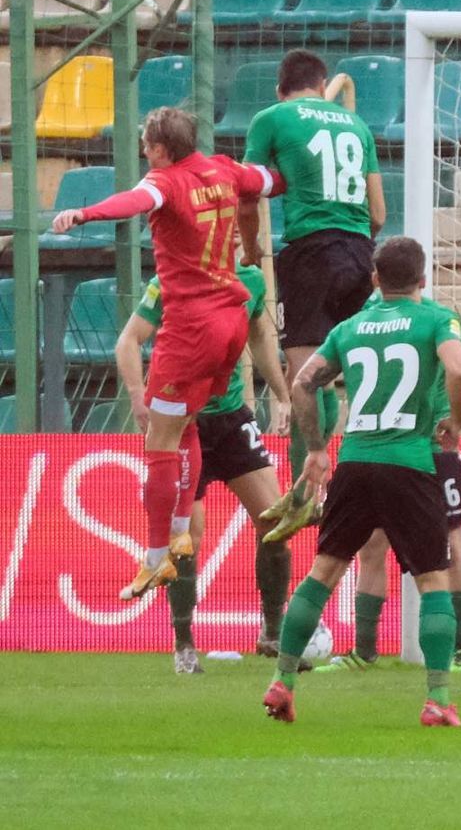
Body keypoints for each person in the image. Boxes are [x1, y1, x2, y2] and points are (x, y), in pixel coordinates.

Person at [51, 107, 280, 600]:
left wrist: (85, 212)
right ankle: (179, 533)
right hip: (231, 321)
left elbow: (136, 200)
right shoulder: (222, 168)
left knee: (160, 437)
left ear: (158, 148)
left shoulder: (166, 181)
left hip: (191, 327)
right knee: (188, 424)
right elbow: (268, 180)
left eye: (145, 143)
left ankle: (154, 557)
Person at [262, 236, 461, 727]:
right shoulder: (436, 319)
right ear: (422, 279)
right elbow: (459, 369)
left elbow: (302, 383)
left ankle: (283, 681)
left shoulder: (350, 328)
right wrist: (456, 421)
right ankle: (438, 699)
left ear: (375, 279)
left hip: (356, 461)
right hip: (411, 462)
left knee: (323, 573)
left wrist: (316, 448)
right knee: (432, 580)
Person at [116, 263, 293, 673]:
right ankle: (184, 645)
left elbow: (261, 337)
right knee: (188, 537)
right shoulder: (168, 282)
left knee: (276, 521)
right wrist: (137, 395)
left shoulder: (248, 279)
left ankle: (272, 633)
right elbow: (129, 340)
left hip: (230, 418)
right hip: (182, 422)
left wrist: (281, 395)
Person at [316, 292, 461, 674]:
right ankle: (364, 650)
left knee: (450, 541)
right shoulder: (368, 313)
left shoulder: (434, 316)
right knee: (371, 545)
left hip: (434, 444)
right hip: (384, 448)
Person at [239, 49, 387, 538]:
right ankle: (351, 478)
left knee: (303, 376)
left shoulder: (272, 118)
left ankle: (306, 491)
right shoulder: (356, 124)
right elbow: (380, 213)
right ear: (322, 83)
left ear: (281, 88)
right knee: (339, 371)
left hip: (311, 252)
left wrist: (251, 246)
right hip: (361, 255)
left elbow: (247, 191)